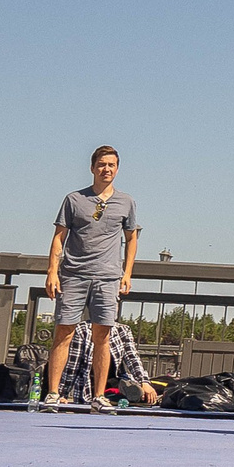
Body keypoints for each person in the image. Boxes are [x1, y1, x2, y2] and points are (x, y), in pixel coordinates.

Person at [42, 145, 139, 414]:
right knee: (64, 332)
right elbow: (59, 237)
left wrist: (127, 273)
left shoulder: (127, 202)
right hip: (73, 274)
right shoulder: (74, 199)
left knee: (103, 336)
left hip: (108, 277)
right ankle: (52, 393)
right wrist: (52, 271)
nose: (106, 169)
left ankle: (98, 396)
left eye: (111, 165)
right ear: (92, 167)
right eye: (101, 164)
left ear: (117, 169)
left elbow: (131, 239)